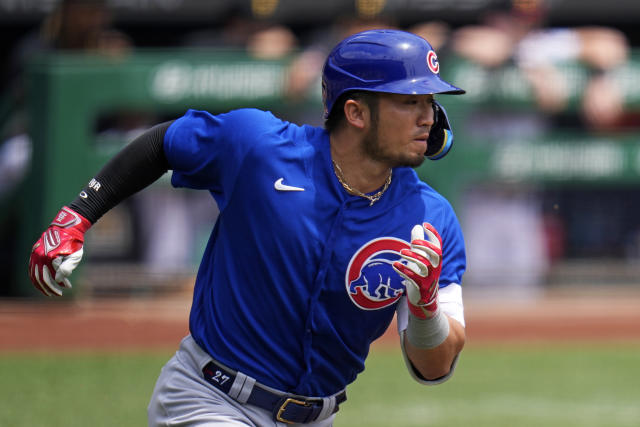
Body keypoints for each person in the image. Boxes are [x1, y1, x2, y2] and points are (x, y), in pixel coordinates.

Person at [28, 29, 467, 426]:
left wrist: (426, 309)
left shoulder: (431, 218)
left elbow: (434, 368)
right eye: (409, 102)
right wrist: (77, 216)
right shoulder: (259, 146)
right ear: (355, 112)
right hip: (209, 401)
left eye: (429, 102)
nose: (428, 118)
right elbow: (164, 143)